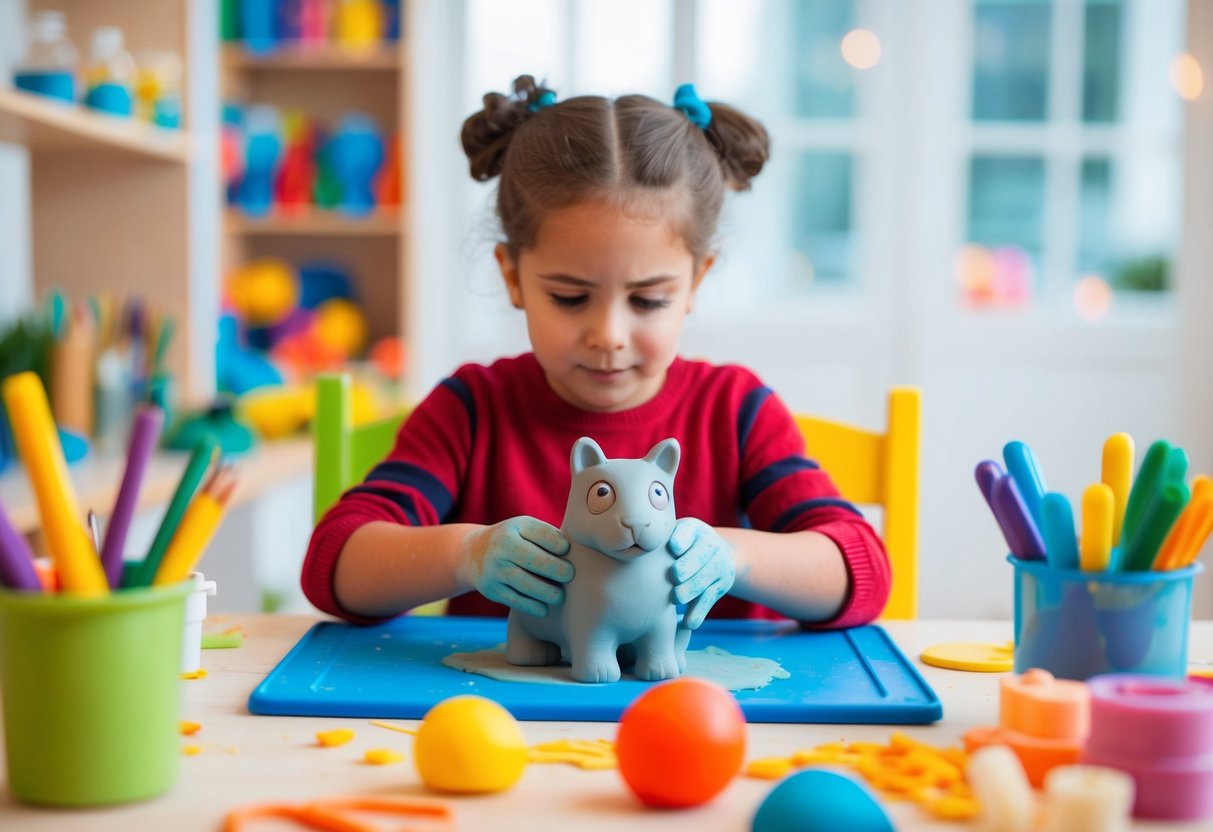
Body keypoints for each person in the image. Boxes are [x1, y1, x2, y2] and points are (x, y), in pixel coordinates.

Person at [302, 75, 890, 630]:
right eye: (570, 296)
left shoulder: (735, 410)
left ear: (696, 282)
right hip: (510, 724)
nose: (608, 333)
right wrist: (466, 552)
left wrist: (734, 557)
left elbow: (861, 568)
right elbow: (333, 565)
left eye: (649, 300)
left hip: (703, 718)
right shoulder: (473, 409)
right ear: (512, 276)